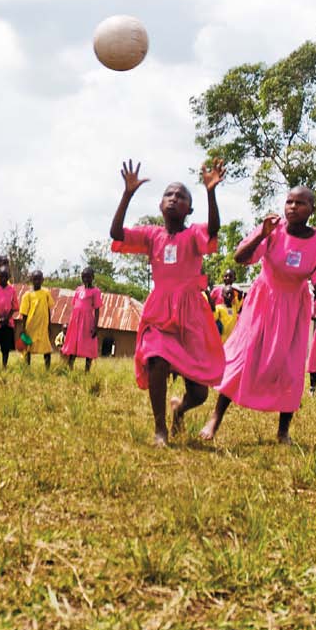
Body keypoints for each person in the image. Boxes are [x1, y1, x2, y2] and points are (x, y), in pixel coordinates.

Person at [200, 187, 316, 444]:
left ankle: (283, 431)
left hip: (294, 305)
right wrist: (260, 236)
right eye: (289, 201)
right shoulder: (272, 227)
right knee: (244, 357)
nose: (293, 207)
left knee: (291, 366)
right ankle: (214, 420)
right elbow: (240, 257)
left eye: (300, 203)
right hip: (264, 299)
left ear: (312, 209)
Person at [110, 159, 227, 446]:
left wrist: (211, 192)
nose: (174, 198)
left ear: (189, 208)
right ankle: (160, 429)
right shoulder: (152, 235)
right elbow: (116, 234)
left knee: (199, 393)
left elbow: (213, 230)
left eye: (181, 196)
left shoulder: (195, 234)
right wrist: (127, 194)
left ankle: (180, 410)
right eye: (169, 195)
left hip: (190, 315)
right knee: (157, 359)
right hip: (160, 311)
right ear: (161, 205)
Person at [60, 267, 101, 372]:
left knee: (88, 345)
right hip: (76, 321)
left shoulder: (95, 291)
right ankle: (70, 368)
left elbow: (97, 310)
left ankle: (87, 370)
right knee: (73, 344)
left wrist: (95, 326)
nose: (86, 279)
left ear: (93, 277)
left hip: (87, 322)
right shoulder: (78, 289)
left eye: (88, 277)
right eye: (83, 277)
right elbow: (75, 306)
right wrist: (70, 322)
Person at [19, 270, 56, 368]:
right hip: (31, 326)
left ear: (42, 280)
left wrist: (49, 325)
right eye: (35, 279)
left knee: (47, 348)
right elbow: (24, 313)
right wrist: (23, 328)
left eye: (39, 279)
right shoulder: (27, 295)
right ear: (31, 280)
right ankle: (27, 368)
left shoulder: (46, 293)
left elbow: (48, 309)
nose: (37, 281)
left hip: (43, 326)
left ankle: (47, 369)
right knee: (28, 347)